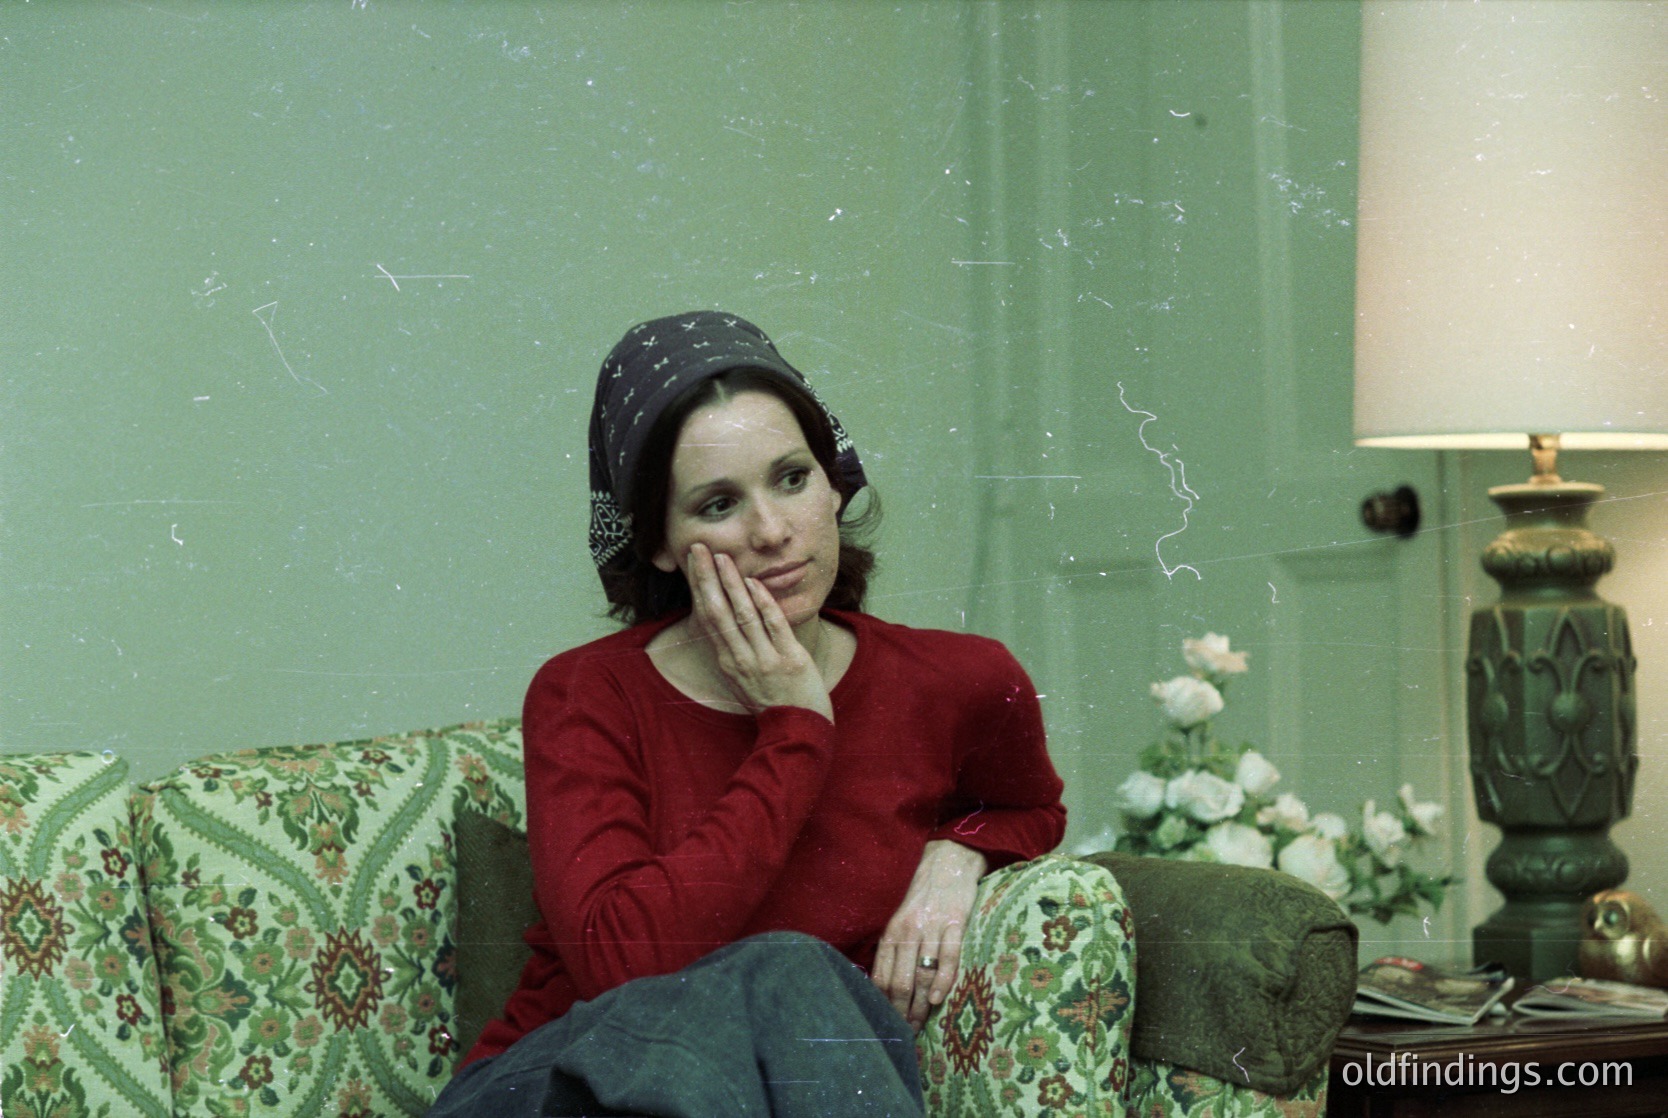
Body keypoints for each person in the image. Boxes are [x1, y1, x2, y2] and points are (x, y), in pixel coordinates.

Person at [428, 311, 1066, 1117]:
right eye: (719, 504)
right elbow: (626, 967)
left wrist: (958, 855)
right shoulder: (586, 694)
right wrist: (795, 729)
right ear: (659, 541)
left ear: (835, 483)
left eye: (793, 478)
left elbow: (1028, 806)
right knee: (787, 973)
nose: (772, 532)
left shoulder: (960, 679)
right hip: (553, 1087)